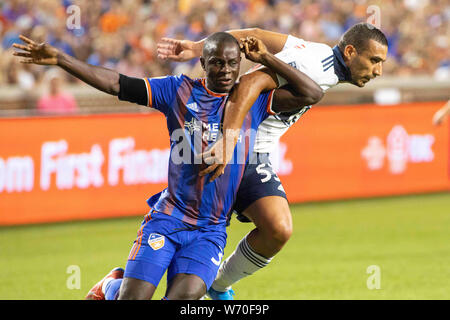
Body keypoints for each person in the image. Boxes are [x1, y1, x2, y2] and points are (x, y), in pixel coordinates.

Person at [12, 32, 323, 299]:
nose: (225, 70)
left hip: (210, 231)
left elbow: (312, 93)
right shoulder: (178, 90)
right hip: (169, 219)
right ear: (203, 63)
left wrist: (267, 57)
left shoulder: (252, 100)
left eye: (232, 63)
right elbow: (115, 84)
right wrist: (61, 60)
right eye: (216, 62)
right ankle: (111, 286)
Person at [157, 22, 388, 299]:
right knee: (182, 252)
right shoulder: (314, 66)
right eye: (374, 60)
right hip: (233, 150)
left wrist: (197, 46)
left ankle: (217, 286)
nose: (378, 71)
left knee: (277, 229)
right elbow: (248, 83)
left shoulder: (315, 53)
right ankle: (116, 288)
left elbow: (256, 35)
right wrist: (230, 140)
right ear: (350, 51)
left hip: (252, 153)